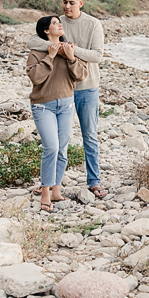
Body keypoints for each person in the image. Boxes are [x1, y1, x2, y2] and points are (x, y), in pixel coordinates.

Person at [27, 0, 107, 198]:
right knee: (58, 143)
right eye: (64, 1)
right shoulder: (57, 23)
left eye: (72, 2)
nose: (67, 6)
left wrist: (69, 49)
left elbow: (97, 56)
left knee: (89, 135)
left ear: (81, 2)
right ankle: (51, 184)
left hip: (87, 87)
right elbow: (33, 41)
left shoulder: (92, 24)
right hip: (63, 91)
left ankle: (94, 181)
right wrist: (60, 47)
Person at [26, 15, 88, 212]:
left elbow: (81, 75)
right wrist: (50, 57)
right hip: (43, 106)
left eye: (58, 22)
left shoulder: (69, 49)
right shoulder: (36, 53)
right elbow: (36, 77)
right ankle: (45, 192)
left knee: (62, 149)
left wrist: (70, 58)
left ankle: (56, 190)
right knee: (51, 148)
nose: (59, 24)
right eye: (54, 23)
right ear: (46, 31)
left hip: (67, 105)